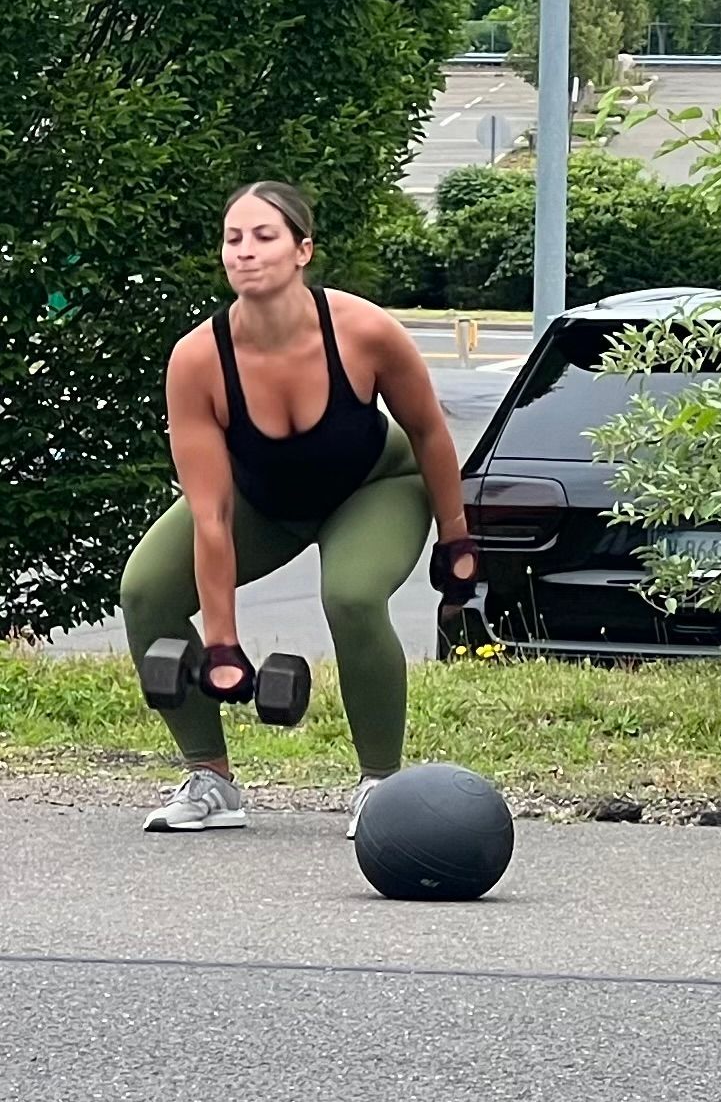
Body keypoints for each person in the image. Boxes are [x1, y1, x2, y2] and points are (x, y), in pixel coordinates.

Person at [121, 181, 480, 836]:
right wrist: (223, 639)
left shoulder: (364, 331)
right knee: (145, 590)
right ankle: (211, 778)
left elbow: (430, 431)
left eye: (264, 236)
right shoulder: (198, 359)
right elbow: (208, 512)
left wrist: (455, 539)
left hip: (374, 487)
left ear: (302, 250)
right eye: (234, 239)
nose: (245, 252)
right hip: (263, 501)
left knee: (351, 593)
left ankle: (381, 784)